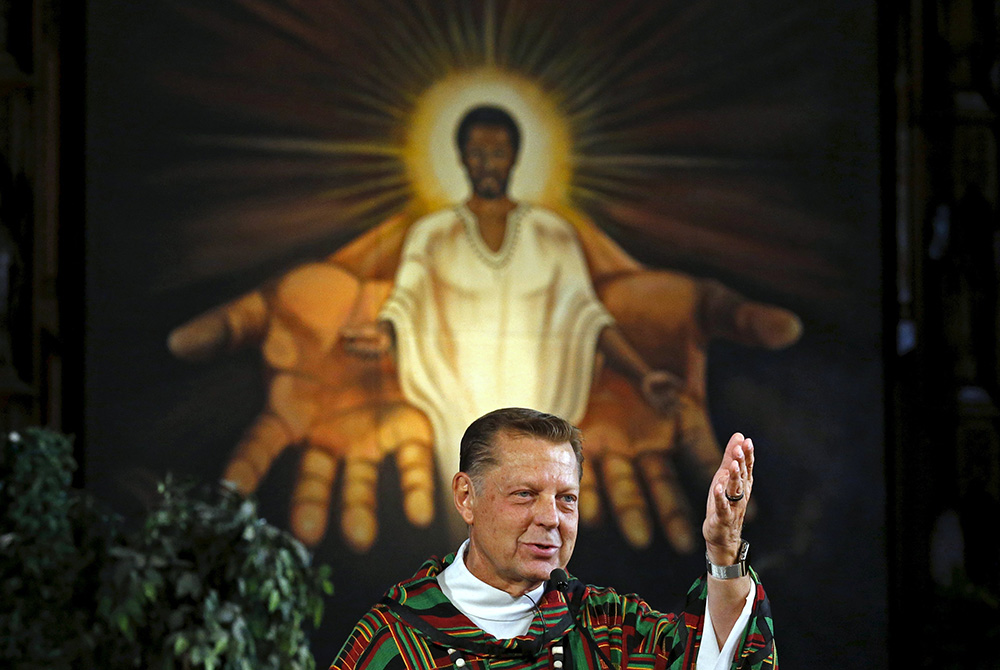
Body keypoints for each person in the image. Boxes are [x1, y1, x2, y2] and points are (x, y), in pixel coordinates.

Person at [343, 106, 681, 525]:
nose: (487, 164)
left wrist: (642, 373)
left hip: (540, 413)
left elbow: (587, 314)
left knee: (538, 529)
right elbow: (404, 301)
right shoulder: (432, 234)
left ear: (515, 157)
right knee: (475, 529)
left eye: (498, 152)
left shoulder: (551, 233)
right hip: (461, 417)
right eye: (477, 153)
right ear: (462, 157)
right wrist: (382, 333)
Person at [329, 407, 776, 670]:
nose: (551, 519)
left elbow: (713, 659)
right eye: (524, 494)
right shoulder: (394, 641)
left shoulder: (604, 629)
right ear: (467, 497)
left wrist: (723, 549)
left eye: (566, 499)